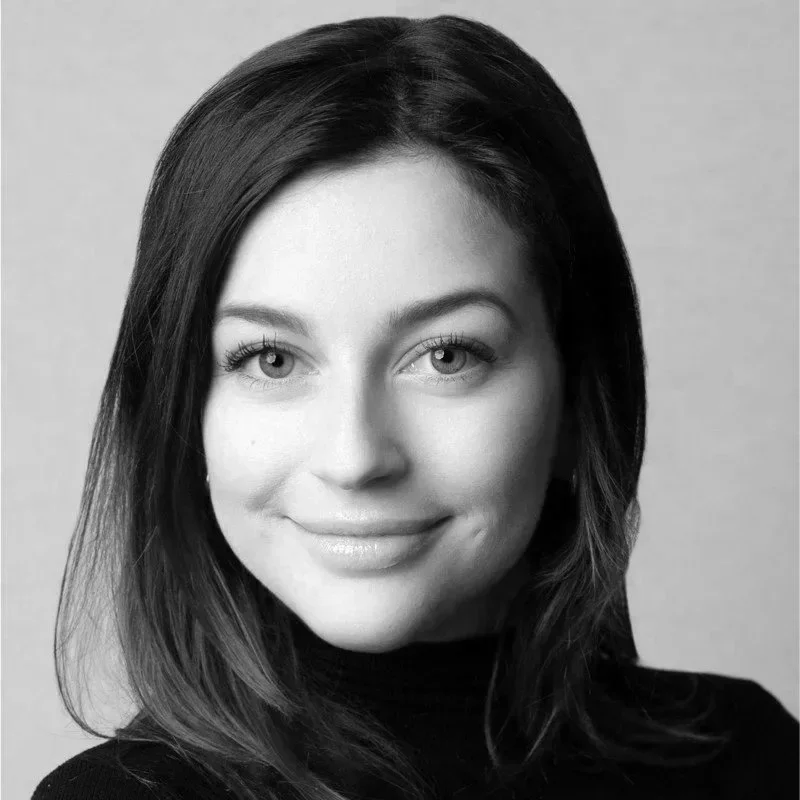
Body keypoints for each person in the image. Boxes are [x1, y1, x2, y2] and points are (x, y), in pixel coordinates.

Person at [32, 14, 798, 800]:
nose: (356, 457)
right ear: (183, 415)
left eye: (446, 356)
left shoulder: (753, 762)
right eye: (272, 359)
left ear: (576, 399)